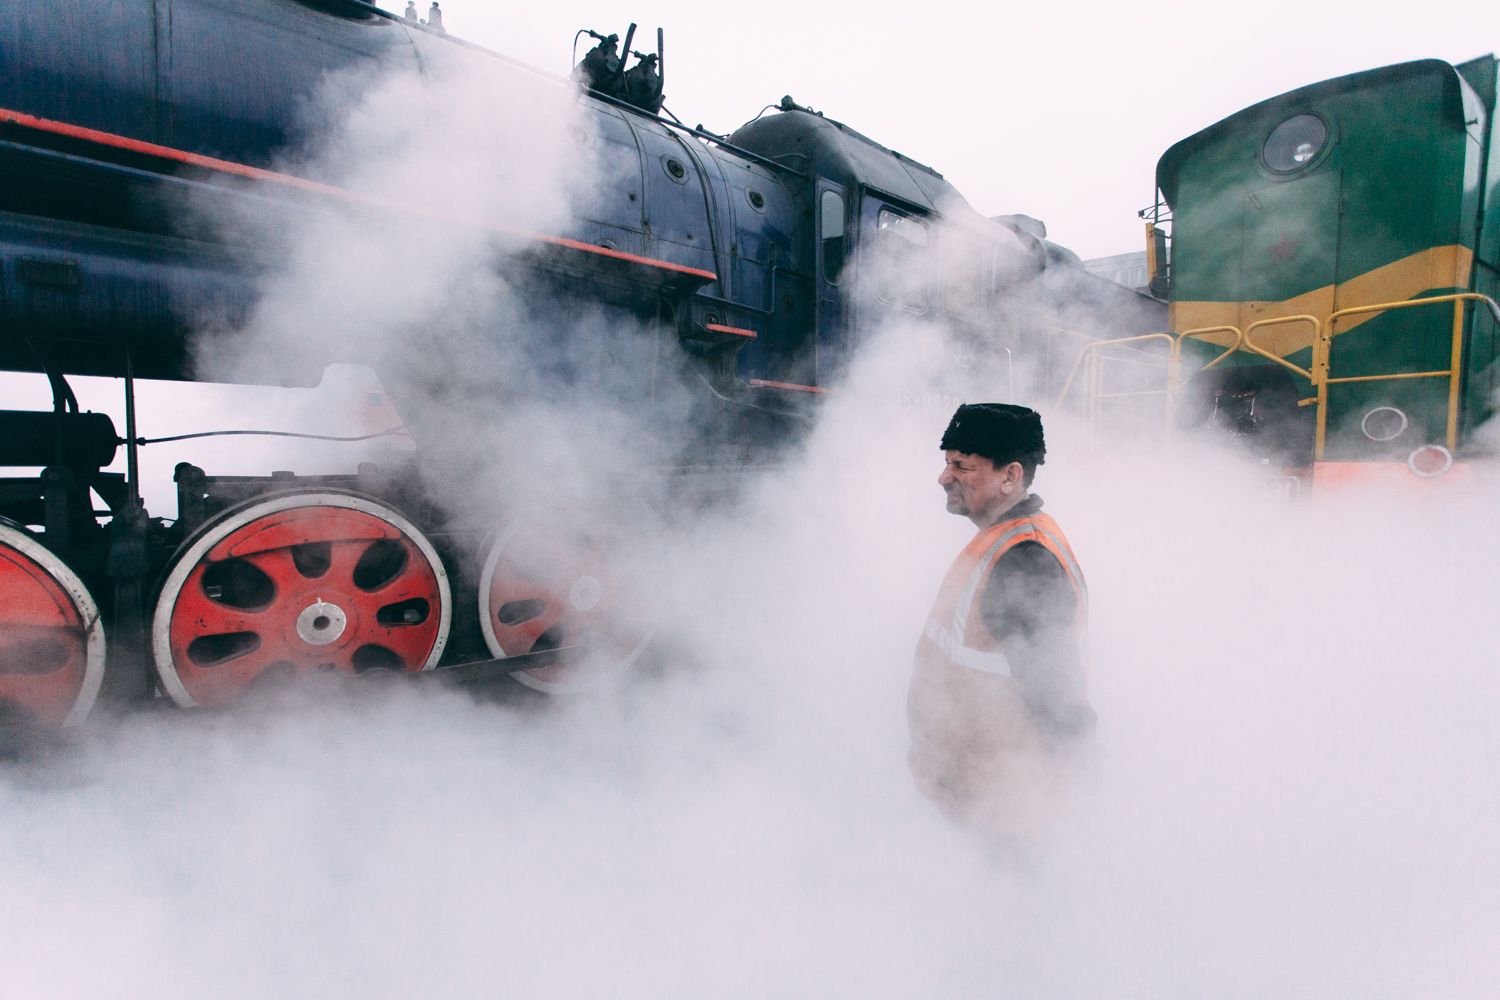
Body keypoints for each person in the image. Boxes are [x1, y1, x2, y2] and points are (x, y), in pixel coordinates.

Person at [907, 402, 1094, 840]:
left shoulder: (1024, 561)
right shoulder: (999, 542)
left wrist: (1089, 772)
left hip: (1003, 813)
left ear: (1010, 476)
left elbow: (1057, 695)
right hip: (974, 799)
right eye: (946, 462)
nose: (944, 477)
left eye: (961, 465)